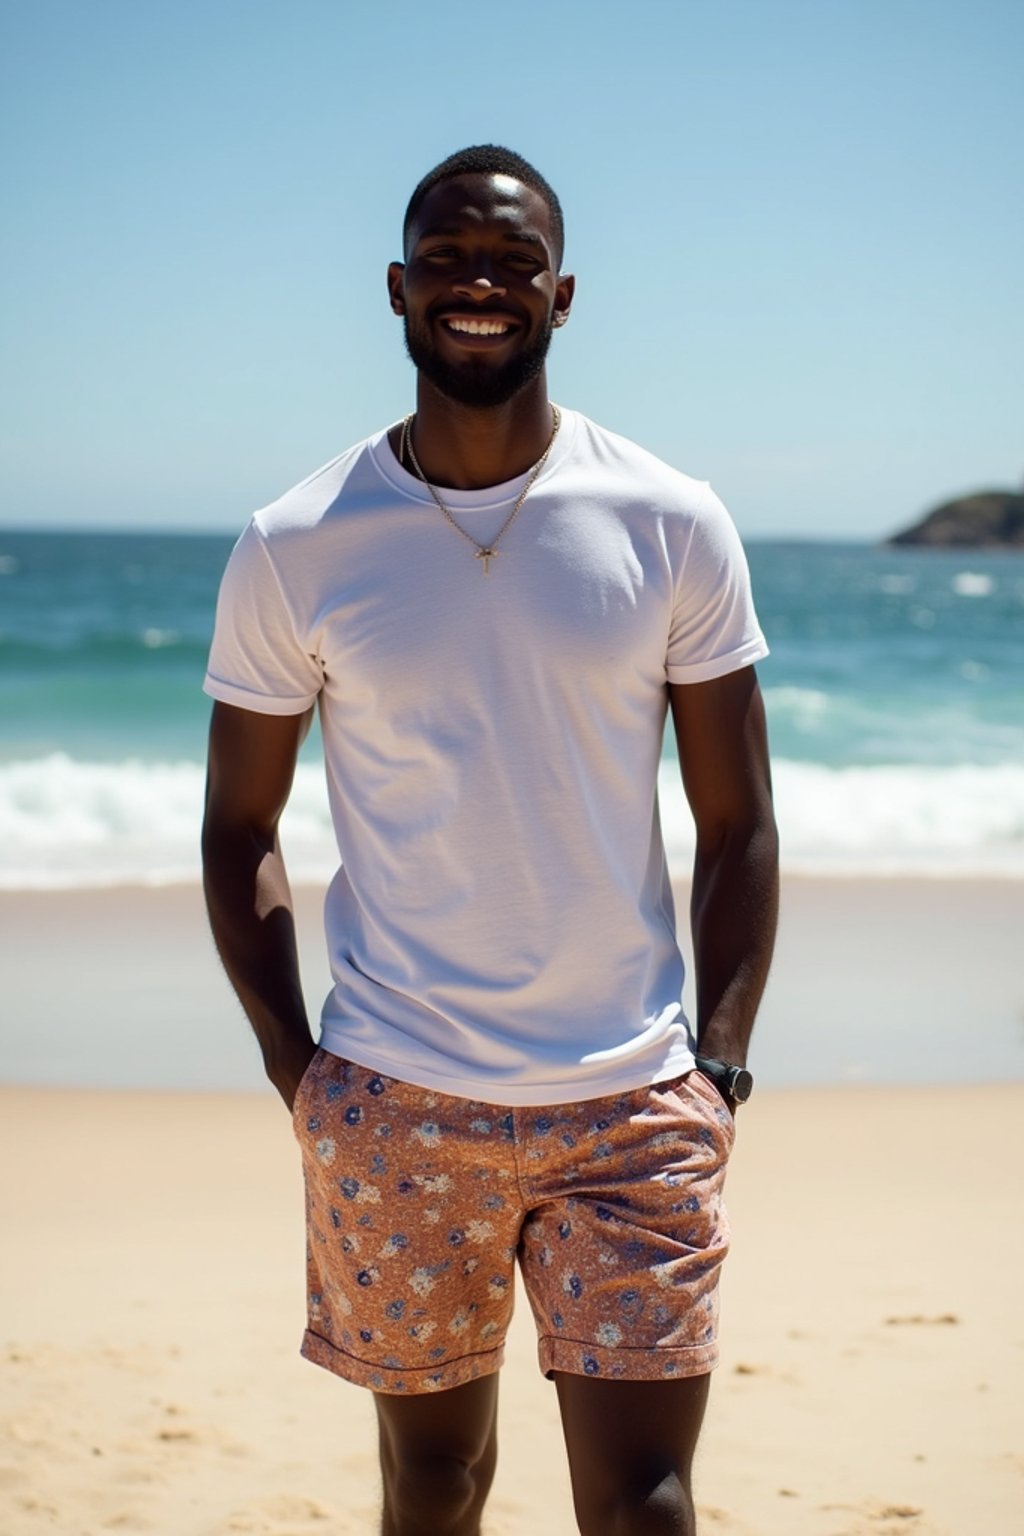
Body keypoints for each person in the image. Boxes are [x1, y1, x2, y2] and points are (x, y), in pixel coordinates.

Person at [202, 144, 779, 1536]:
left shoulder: (670, 521)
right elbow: (238, 826)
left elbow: (739, 818)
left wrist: (723, 1062)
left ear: (562, 294)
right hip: (396, 1103)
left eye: (511, 263)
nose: (480, 286)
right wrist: (301, 1067)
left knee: (644, 1505)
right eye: (450, 260)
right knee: (435, 1486)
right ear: (397, 289)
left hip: (632, 1102)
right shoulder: (298, 542)